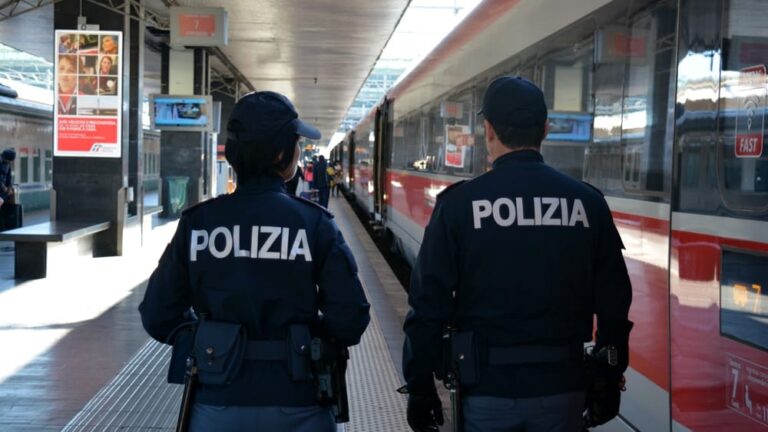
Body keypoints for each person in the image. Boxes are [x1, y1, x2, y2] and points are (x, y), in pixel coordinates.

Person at [402, 76, 633, 432]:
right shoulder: (587, 203)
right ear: (545, 129)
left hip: (486, 392)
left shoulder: (460, 205)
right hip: (563, 390)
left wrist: (419, 387)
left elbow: (427, 304)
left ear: (488, 130)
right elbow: (615, 300)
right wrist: (609, 371)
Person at [139, 90, 370, 432]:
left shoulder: (199, 223)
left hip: (215, 404)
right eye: (296, 143)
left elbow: (158, 314)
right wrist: (306, 339)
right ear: (281, 154)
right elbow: (350, 317)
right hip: (300, 402)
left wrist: (209, 340)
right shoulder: (314, 224)